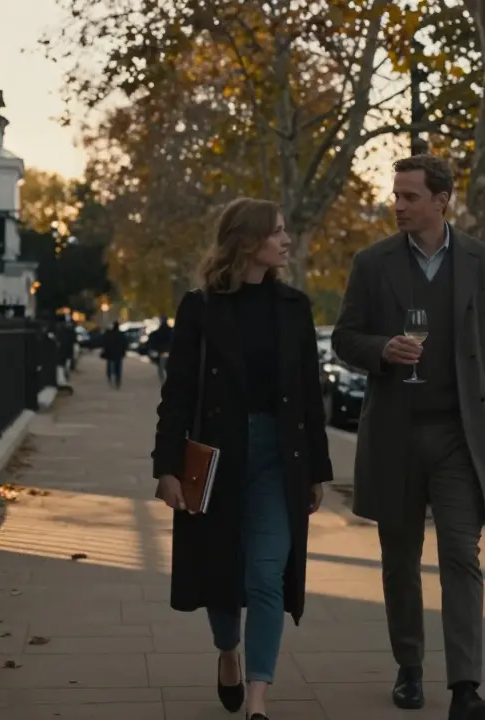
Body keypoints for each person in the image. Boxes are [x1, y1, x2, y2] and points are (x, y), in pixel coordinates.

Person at [332, 155, 485, 720]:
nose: (399, 205)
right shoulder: (372, 263)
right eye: (396, 195)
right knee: (399, 559)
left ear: (441, 200)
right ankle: (409, 667)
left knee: (462, 555)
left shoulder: (482, 262)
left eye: (410, 196)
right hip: (396, 434)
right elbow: (345, 337)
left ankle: (465, 686)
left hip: (461, 437)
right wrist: (382, 350)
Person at [151, 197, 333, 720]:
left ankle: (258, 697)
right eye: (277, 232)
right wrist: (167, 469)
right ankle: (228, 651)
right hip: (218, 458)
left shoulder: (295, 308)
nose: (286, 240)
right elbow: (178, 394)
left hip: (280, 458)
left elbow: (308, 395)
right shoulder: (201, 307)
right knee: (221, 571)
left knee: (267, 574)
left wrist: (317, 471)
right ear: (249, 242)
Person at [147, 314, 175, 381]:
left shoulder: (161, 331)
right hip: (168, 351)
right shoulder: (171, 331)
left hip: (162, 351)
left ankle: (164, 380)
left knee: (161, 368)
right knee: (167, 367)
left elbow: (153, 339)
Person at [101, 322, 127, 388]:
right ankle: (117, 379)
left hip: (110, 353)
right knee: (118, 367)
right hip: (118, 353)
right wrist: (123, 352)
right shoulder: (121, 334)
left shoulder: (110, 334)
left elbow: (105, 343)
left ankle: (110, 377)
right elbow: (125, 344)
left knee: (110, 365)